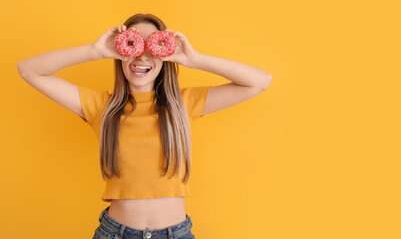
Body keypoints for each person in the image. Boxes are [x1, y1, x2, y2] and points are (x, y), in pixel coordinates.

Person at [16, 13, 272, 239]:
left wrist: (193, 59)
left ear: (164, 55)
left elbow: (259, 81)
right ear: (120, 53)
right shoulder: (101, 107)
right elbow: (28, 70)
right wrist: (95, 51)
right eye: (133, 43)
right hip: (115, 233)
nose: (141, 55)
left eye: (153, 45)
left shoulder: (183, 104)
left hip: (176, 233)